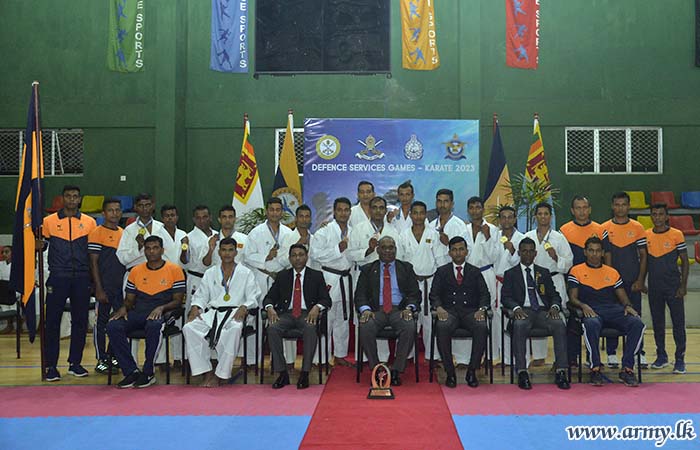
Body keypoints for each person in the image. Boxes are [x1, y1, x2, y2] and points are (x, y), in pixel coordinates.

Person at [107, 236, 186, 388]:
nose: (151, 251)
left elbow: (177, 301)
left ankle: (148, 372)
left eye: (155, 248)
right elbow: (129, 300)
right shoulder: (136, 271)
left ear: (162, 250)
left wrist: (162, 308)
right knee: (113, 326)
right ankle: (131, 372)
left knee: (153, 325)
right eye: (148, 248)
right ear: (144, 251)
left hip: (162, 313)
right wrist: (123, 308)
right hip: (138, 312)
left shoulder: (175, 270)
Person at [567, 236, 645, 387]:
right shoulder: (576, 271)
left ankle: (627, 368)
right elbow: (573, 298)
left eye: (597, 251)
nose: (594, 254)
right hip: (592, 311)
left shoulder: (612, 272)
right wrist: (583, 306)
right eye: (591, 250)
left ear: (603, 253)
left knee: (637, 323)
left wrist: (628, 306)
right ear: (585, 252)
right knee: (591, 324)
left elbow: (623, 297)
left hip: (612, 310)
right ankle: (595, 368)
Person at [182, 238, 259, 387]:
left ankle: (222, 373)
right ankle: (206, 371)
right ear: (219, 252)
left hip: (235, 313)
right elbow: (201, 295)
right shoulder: (211, 272)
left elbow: (253, 296)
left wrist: (244, 307)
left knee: (234, 329)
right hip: (213, 313)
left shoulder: (245, 273)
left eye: (230, 250)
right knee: (189, 328)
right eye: (224, 250)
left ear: (236, 252)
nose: (227, 253)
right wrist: (195, 307)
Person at [41, 185, 97, 381]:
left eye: (75, 196)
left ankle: (75, 363)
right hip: (58, 276)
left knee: (80, 321)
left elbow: (92, 253)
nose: (72, 199)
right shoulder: (48, 221)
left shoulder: (89, 222)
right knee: (52, 321)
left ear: (79, 199)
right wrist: (39, 245)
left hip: (81, 277)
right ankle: (51, 366)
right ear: (63, 198)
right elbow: (42, 246)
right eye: (68, 196)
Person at [500, 238, 570, 390]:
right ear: (519, 253)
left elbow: (554, 295)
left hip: (543, 312)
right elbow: (505, 297)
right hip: (523, 311)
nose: (527, 254)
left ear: (535, 253)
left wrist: (555, 307)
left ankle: (561, 371)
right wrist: (516, 309)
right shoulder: (511, 273)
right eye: (524, 251)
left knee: (559, 324)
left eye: (531, 251)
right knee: (519, 325)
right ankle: (522, 371)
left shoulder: (543, 272)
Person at [263, 244, 332, 389]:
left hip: (307, 314)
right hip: (286, 314)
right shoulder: (282, 276)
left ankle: (305, 373)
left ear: (306, 257)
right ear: (289, 258)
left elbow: (326, 300)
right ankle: (282, 373)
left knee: (310, 327)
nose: (298, 258)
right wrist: (270, 308)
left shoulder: (316, 275)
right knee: (272, 328)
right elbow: (269, 298)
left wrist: (317, 307)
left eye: (301, 255)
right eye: (294, 255)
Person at [356, 236, 420, 386]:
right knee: (365, 326)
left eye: (391, 248)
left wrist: (409, 308)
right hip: (375, 311)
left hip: (399, 310)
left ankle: (397, 370)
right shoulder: (367, 269)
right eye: (384, 248)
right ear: (378, 250)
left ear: (395, 250)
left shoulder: (406, 268)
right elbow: (360, 295)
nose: (387, 251)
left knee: (409, 326)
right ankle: (376, 369)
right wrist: (365, 310)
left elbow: (415, 294)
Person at [430, 236, 489, 388]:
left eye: (461, 249)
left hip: (470, 312)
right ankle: (450, 372)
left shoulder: (475, 271)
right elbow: (434, 295)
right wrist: (439, 307)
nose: (458, 253)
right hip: (449, 312)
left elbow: (485, 294)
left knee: (481, 327)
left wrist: (482, 309)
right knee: (442, 326)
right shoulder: (442, 271)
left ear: (466, 252)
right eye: (454, 250)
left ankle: (472, 371)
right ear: (449, 253)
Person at [601, 192, 648, 368]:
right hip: (612, 284)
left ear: (628, 206)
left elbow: (643, 256)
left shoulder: (638, 227)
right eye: (617, 204)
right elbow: (604, 256)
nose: (620, 208)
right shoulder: (604, 228)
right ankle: (611, 353)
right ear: (612, 206)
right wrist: (608, 281)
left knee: (636, 316)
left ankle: (638, 352)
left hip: (633, 282)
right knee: (613, 316)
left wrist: (640, 280)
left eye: (623, 204)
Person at [525, 202, 574, 366]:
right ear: (535, 217)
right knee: (537, 314)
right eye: (540, 214)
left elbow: (569, 263)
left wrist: (556, 257)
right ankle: (539, 356)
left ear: (550, 217)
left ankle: (560, 360)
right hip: (534, 281)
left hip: (554, 280)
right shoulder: (529, 236)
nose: (543, 217)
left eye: (546, 214)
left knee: (557, 318)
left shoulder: (559, 238)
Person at [645, 203, 689, 374]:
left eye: (661, 214)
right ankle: (661, 356)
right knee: (658, 323)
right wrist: (641, 281)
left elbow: (685, 262)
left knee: (678, 323)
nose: (657, 217)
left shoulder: (676, 234)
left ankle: (680, 359)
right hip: (654, 287)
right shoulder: (646, 235)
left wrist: (683, 285)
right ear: (651, 216)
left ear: (667, 216)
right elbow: (643, 261)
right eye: (654, 214)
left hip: (673, 286)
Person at [310, 197, 354, 367]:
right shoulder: (324, 232)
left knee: (343, 321)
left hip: (346, 280)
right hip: (329, 279)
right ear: (334, 212)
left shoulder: (353, 232)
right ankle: (321, 358)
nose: (343, 213)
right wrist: (338, 249)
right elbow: (315, 254)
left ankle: (340, 355)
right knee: (326, 321)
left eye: (346, 210)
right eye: (340, 210)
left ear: (350, 212)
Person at [397, 200, 441, 362]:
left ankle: (432, 356)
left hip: (429, 281)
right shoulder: (403, 235)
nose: (418, 216)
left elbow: (439, 260)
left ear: (425, 215)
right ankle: (406, 356)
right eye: (415, 213)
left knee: (429, 321)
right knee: (408, 320)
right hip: (410, 285)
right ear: (410, 215)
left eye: (421, 213)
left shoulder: (433, 234)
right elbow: (400, 262)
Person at [88, 198, 126, 374]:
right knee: (101, 324)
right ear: (104, 213)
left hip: (121, 288)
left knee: (120, 323)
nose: (114, 213)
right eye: (110, 210)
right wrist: (99, 288)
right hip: (104, 287)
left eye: (117, 210)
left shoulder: (124, 233)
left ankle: (113, 355)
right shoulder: (96, 233)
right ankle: (101, 359)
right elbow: (93, 263)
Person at [463, 196, 499, 366]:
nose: (475, 211)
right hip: (468, 275)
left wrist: (488, 237)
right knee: (469, 313)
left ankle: (491, 355)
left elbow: (494, 256)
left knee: (489, 313)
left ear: (483, 209)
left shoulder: (492, 229)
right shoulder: (464, 229)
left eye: (478, 207)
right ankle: (466, 357)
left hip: (486, 273)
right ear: (468, 210)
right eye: (471, 207)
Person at [493, 206, 525, 365]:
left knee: (516, 320)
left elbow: (525, 262)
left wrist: (513, 251)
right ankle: (504, 357)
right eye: (503, 217)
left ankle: (519, 358)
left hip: (514, 285)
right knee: (499, 321)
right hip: (497, 282)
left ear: (514, 219)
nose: (506, 220)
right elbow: (489, 257)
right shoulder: (494, 236)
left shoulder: (521, 238)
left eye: (510, 217)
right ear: (499, 220)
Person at [116, 193, 165, 274]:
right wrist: (138, 248)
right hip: (136, 273)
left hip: (160, 273)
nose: (144, 208)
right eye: (141, 205)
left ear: (153, 206)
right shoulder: (129, 230)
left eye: (148, 205)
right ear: (135, 207)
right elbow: (122, 258)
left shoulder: (161, 227)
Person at [182, 205, 217, 314]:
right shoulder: (189, 237)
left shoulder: (217, 235)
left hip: (215, 279)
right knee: (194, 312)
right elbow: (184, 261)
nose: (202, 221)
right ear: (194, 219)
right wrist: (184, 248)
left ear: (210, 217)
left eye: (205, 217)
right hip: (196, 279)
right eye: (198, 218)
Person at [429, 189, 468, 268]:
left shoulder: (460, 225)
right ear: (436, 203)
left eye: (446, 201)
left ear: (452, 204)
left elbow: (466, 252)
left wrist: (448, 243)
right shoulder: (431, 226)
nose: (442, 205)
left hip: (453, 270)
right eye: (439, 201)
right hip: (434, 271)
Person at [0, 246, 14, 334]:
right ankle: (9, 324)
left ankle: (18, 324)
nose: (4, 254)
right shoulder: (1, 264)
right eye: (3, 252)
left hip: (15, 289)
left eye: (7, 252)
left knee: (13, 303)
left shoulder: (17, 264)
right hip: (4, 289)